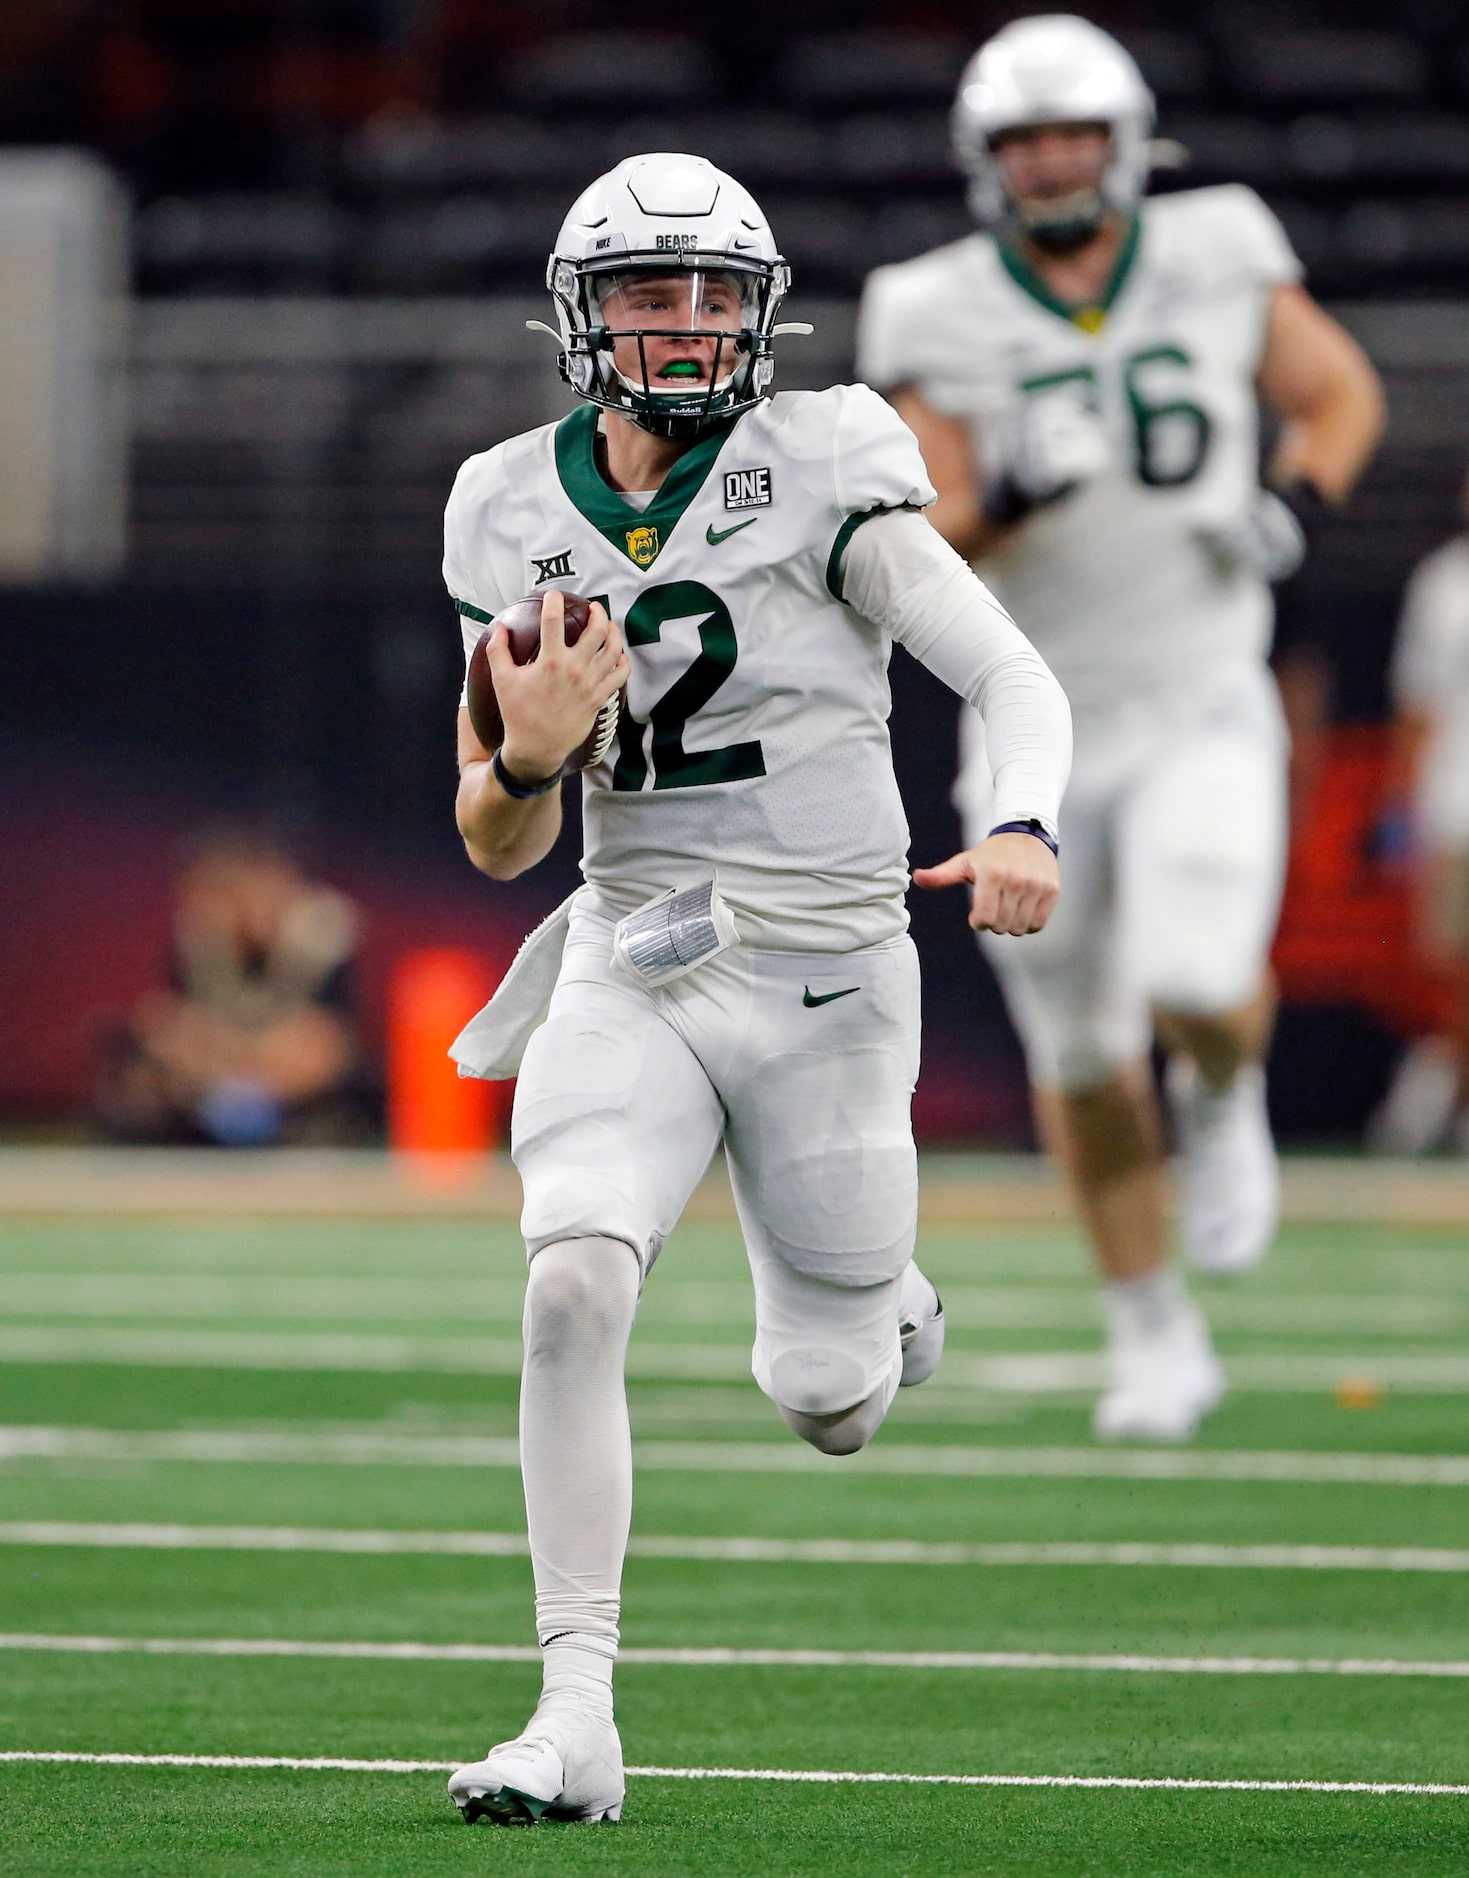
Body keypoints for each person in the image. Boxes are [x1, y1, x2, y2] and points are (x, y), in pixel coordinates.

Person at [440, 152, 1072, 1826]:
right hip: (627, 947)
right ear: (583, 318)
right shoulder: (506, 500)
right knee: (570, 1277)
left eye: (718, 292)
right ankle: (573, 1713)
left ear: (761, 312)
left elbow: (1005, 671)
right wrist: (527, 748)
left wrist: (1018, 817)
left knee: (827, 1401)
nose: (691, 321)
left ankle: (890, 1309)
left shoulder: (824, 467)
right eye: (653, 292)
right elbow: (495, 836)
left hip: (823, 972)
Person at [857, 15, 1384, 1442]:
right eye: (1023, 140)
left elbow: (1338, 392)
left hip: (1203, 688)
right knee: (1082, 1058)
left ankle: (1225, 1096)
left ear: (1126, 139)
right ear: (985, 158)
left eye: (1072, 134)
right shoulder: (932, 302)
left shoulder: (1217, 244)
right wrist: (1010, 488)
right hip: (1033, 719)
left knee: (1203, 974)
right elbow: (914, 526)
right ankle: (1150, 1331)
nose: (1050, 163)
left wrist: (1295, 503)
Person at [93, 826, 364, 1146]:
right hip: (212, 1090)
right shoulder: (202, 941)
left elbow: (322, 1050)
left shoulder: (319, 939)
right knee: (146, 1072)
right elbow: (176, 1030)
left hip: (298, 1101)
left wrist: (243, 1055)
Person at [1370, 468, 1469, 1153]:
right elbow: (1415, 706)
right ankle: (1443, 1071)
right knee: (1448, 961)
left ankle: (1436, 1080)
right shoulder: (1444, 584)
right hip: (1454, 802)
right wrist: (1401, 805)